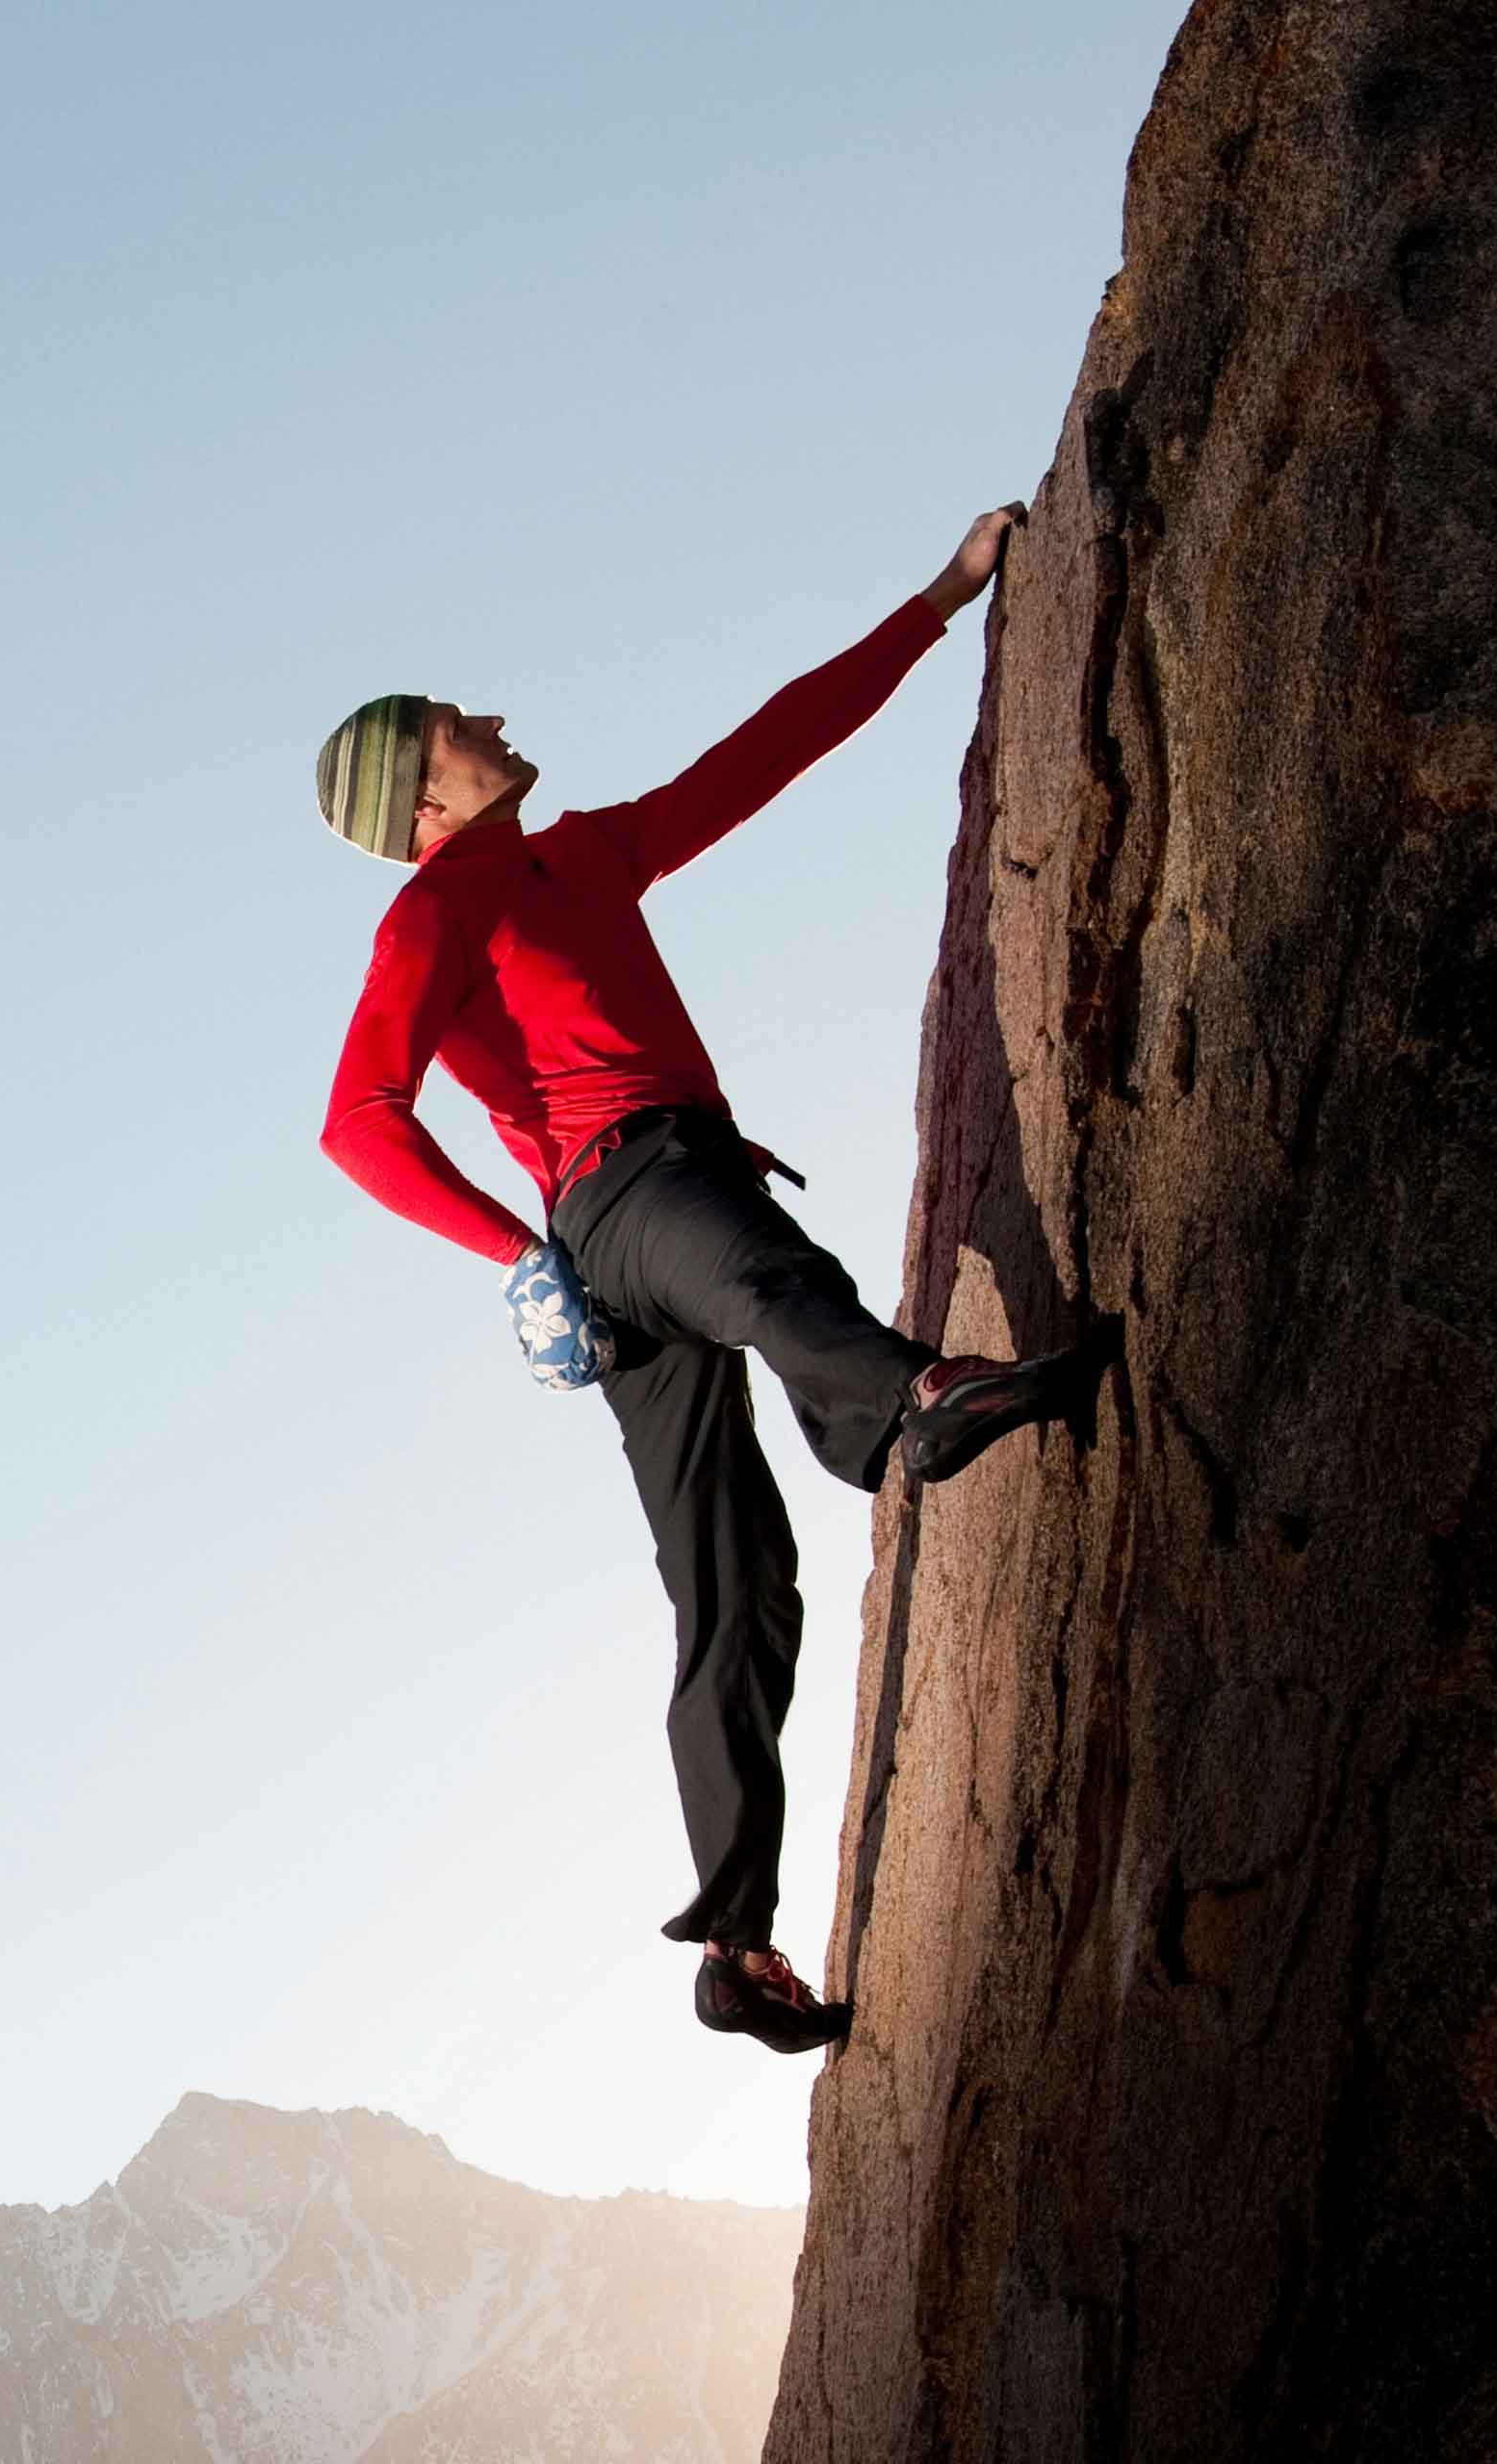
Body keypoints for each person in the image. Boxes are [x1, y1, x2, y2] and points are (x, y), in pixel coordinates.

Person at [311, 505, 1096, 2055]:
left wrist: (938, 597)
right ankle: (909, 1401)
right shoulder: (435, 909)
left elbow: (766, 752)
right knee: (754, 1268)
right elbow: (357, 1124)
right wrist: (518, 1254)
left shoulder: (585, 852)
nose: (497, 722)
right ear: (420, 795)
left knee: (737, 1592)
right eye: (463, 726)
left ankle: (737, 1947)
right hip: (624, 1210)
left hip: (631, 1248)